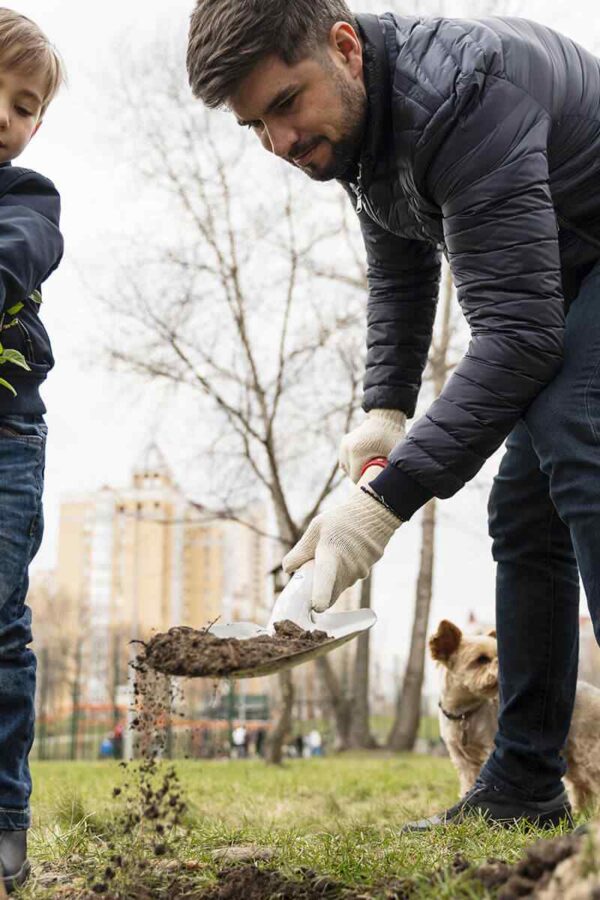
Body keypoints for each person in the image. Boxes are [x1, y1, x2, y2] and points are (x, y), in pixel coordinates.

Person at [186, 0, 600, 829]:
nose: (280, 142)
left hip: (577, 272)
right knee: (525, 512)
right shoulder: (362, 135)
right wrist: (385, 410)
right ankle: (524, 784)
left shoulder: (461, 95)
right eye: (255, 125)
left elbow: (518, 338)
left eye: (285, 104)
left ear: (344, 47)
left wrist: (381, 504)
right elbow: (403, 271)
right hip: (567, 274)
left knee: (577, 442)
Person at [0, 10, 64, 891]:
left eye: (23, 105)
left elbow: (16, 255)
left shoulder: (27, 199)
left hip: (5, 439)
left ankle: (4, 818)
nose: (5, 117)